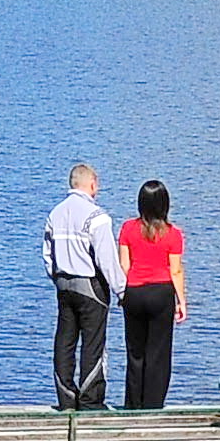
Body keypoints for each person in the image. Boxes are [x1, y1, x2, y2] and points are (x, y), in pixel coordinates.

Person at [42, 162, 121, 409]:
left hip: (64, 284)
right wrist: (122, 289)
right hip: (90, 286)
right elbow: (107, 259)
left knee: (65, 340)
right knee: (93, 344)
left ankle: (66, 397)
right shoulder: (97, 217)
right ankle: (90, 400)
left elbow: (47, 255)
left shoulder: (55, 214)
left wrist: (56, 278)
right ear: (92, 184)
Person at [117, 180, 188, 411]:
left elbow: (124, 266)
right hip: (161, 294)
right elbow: (175, 270)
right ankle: (153, 404)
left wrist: (122, 294)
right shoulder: (174, 234)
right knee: (158, 352)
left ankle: (133, 403)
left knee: (134, 351)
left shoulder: (128, 228)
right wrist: (182, 301)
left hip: (135, 293)